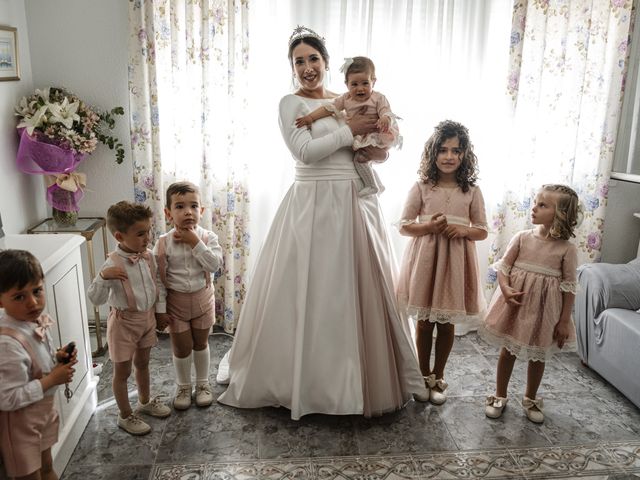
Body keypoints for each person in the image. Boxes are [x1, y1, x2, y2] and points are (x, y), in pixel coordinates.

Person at [217, 25, 428, 420]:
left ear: (327, 63)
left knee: (358, 289)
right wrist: (351, 131)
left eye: (313, 58)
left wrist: (376, 145)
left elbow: (364, 149)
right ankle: (308, 383)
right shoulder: (290, 104)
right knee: (314, 291)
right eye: (299, 61)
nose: (307, 67)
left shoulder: (345, 98)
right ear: (292, 67)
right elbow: (306, 153)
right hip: (312, 206)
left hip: (354, 201)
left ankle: (361, 378)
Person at [396, 120, 488, 406]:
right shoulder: (422, 187)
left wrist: (463, 230)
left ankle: (438, 375)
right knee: (424, 323)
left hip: (455, 264)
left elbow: (482, 229)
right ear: (433, 153)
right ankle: (422, 376)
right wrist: (429, 228)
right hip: (426, 260)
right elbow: (404, 225)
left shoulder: (471, 190)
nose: (449, 156)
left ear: (465, 155)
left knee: (446, 324)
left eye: (456, 151)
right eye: (443, 150)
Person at [481, 184, 580, 423]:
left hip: (545, 311)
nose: (534, 208)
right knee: (509, 351)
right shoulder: (522, 238)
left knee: (538, 355)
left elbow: (569, 287)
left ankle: (531, 397)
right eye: (535, 202)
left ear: (560, 214)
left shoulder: (567, 249)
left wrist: (564, 320)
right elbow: (504, 267)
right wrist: (505, 289)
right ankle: (500, 394)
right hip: (517, 305)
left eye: (542, 205)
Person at [88, 201, 171, 436]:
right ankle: (125, 415)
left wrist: (160, 312)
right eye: (141, 233)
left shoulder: (147, 257)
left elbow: (157, 286)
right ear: (119, 235)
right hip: (123, 324)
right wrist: (103, 277)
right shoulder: (111, 264)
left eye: (149, 231)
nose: (148, 238)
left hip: (146, 320)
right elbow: (95, 298)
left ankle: (144, 402)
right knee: (122, 372)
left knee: (143, 363)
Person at [0, 249, 76, 479]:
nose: (32, 302)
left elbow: (35, 359)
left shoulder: (32, 320)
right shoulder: (6, 343)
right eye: (19, 296)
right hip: (20, 425)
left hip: (43, 413)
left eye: (37, 291)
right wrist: (52, 379)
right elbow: (8, 398)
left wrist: (56, 357)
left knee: (47, 467)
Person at [153, 181, 223, 411]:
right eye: (180, 206)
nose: (188, 212)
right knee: (181, 347)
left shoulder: (208, 237)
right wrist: (160, 309)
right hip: (176, 303)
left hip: (203, 299)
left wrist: (195, 243)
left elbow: (214, 265)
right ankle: (183, 386)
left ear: (201, 210)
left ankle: (202, 384)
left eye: (194, 206)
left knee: (201, 343)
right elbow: (158, 279)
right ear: (168, 213)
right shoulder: (163, 243)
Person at [295, 56, 401, 196]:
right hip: (360, 136)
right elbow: (329, 108)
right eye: (354, 84)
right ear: (346, 84)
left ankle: (372, 185)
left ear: (373, 81)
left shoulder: (378, 97)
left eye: (365, 83)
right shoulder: (345, 99)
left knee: (362, 159)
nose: (360, 89)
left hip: (377, 133)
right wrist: (310, 117)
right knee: (360, 159)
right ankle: (374, 184)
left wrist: (385, 118)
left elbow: (385, 110)